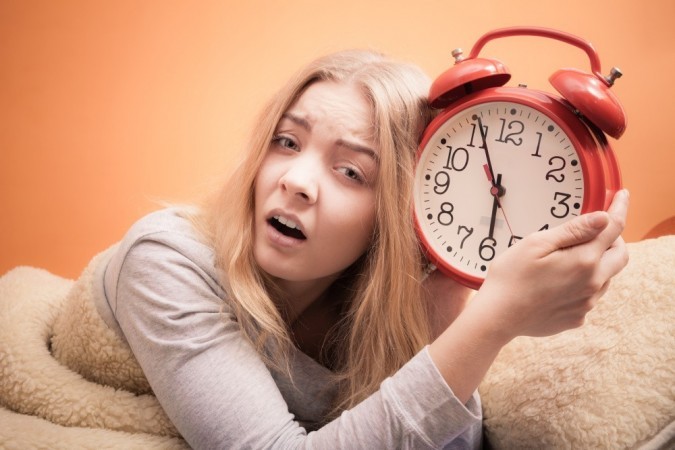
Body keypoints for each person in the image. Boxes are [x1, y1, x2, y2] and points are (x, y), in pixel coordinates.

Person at [94, 49, 629, 449]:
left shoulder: (379, 303)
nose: (296, 181)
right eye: (287, 142)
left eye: (350, 171)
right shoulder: (164, 257)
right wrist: (491, 323)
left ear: (401, 216)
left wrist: (447, 305)